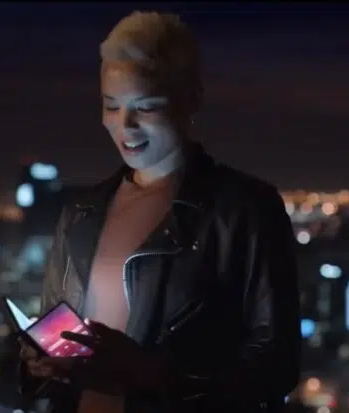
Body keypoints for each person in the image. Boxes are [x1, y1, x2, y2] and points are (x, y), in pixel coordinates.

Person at [18, 10, 301, 413]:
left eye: (146, 107)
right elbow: (51, 333)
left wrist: (152, 375)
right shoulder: (80, 213)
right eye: (111, 106)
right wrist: (36, 362)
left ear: (192, 100)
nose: (125, 126)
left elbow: (277, 365)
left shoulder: (245, 210)